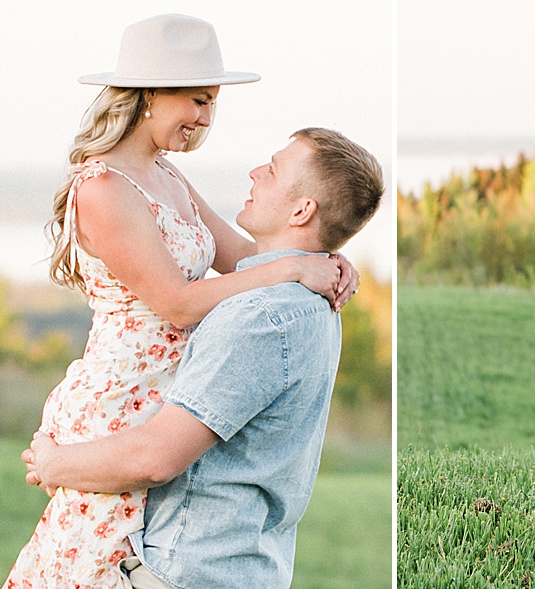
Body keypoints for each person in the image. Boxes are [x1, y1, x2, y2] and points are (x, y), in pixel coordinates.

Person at [5, 15, 357, 588]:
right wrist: (293, 268)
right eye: (196, 100)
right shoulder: (102, 189)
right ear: (147, 95)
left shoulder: (165, 174)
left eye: (212, 103)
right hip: (124, 397)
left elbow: (244, 258)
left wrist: (327, 258)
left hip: (173, 393)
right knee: (91, 566)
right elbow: (176, 304)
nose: (205, 118)